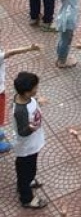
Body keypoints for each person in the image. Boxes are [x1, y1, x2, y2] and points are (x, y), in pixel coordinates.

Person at [11, 70, 46, 210]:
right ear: (26, 92)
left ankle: (26, 181)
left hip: (32, 144)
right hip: (26, 147)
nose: (36, 90)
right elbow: (22, 132)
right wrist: (31, 128)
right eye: (35, 88)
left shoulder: (24, 98)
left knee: (29, 168)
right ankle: (27, 198)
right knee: (26, 170)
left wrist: (37, 100)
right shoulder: (20, 111)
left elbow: (31, 103)